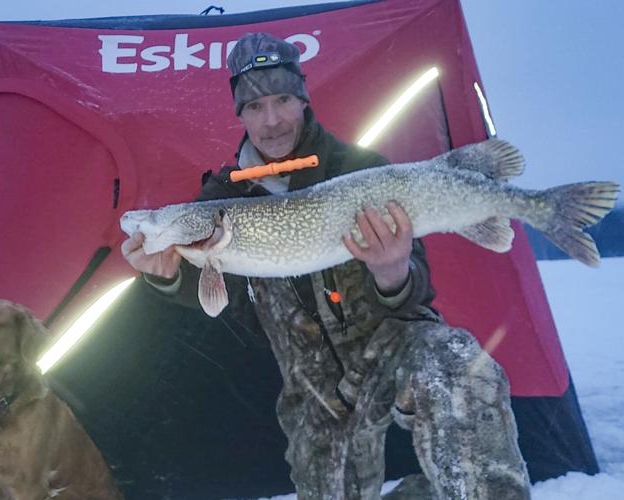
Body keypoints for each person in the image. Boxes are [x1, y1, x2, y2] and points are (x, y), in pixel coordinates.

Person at [122, 32, 531, 500]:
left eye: (282, 100)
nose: (271, 120)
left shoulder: (360, 169)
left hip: (394, 343)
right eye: (255, 107)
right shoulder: (223, 197)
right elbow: (229, 303)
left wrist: (392, 270)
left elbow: (416, 289)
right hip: (313, 386)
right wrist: (168, 275)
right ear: (240, 114)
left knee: (457, 365)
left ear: (302, 98)